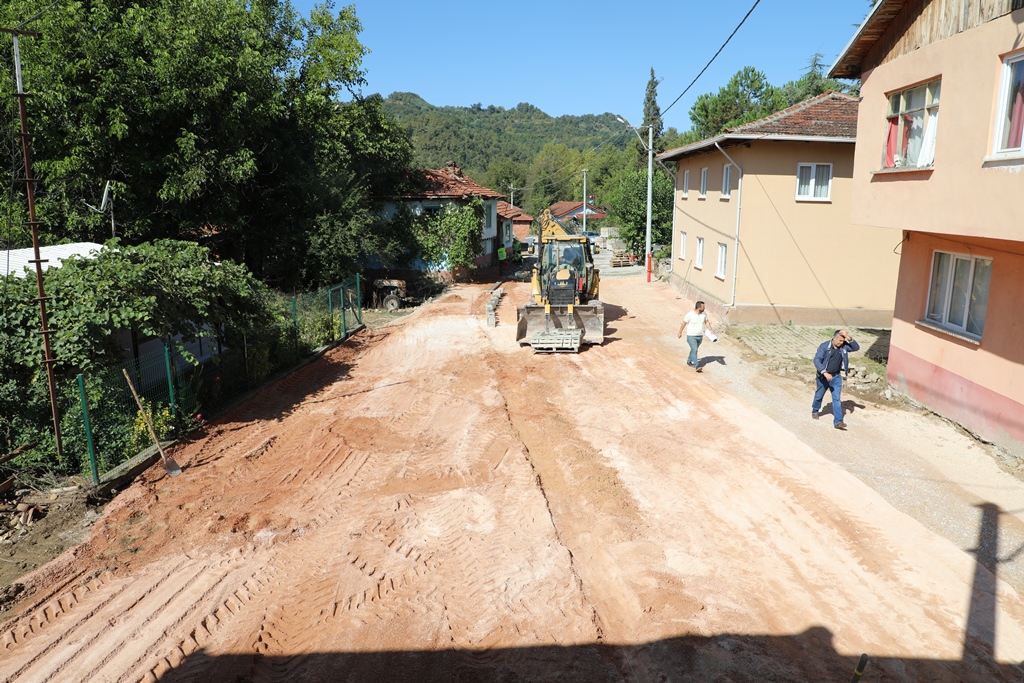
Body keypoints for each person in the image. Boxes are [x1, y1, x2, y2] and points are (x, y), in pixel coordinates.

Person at [812, 329, 861, 430]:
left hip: (836, 377)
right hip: (823, 377)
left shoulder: (843, 347)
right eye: (839, 340)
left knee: (837, 399)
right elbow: (817, 360)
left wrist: (848, 336)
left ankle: (838, 421)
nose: (841, 343)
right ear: (834, 338)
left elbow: (856, 347)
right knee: (819, 395)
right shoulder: (824, 346)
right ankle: (815, 410)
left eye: (842, 341)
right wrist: (824, 372)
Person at [677, 301, 714, 372]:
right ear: (699, 307)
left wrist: (711, 330)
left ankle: (689, 360)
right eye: (703, 307)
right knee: (695, 350)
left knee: (694, 349)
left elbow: (706, 322)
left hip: (700, 336)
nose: (705, 308)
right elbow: (683, 323)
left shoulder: (704, 314)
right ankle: (697, 365)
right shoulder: (690, 314)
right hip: (691, 336)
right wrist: (680, 332)